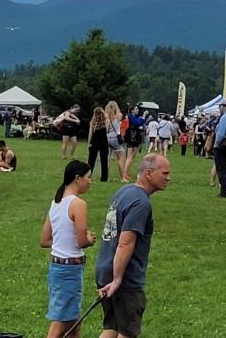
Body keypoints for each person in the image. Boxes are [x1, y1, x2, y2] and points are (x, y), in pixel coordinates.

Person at [96, 154, 171, 338]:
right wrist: (118, 279)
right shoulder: (141, 203)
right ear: (148, 173)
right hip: (124, 279)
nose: (168, 178)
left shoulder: (124, 191)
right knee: (127, 332)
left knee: (111, 327)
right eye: (165, 173)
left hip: (104, 270)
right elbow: (125, 243)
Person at [40, 160, 96, 338]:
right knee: (60, 324)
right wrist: (89, 238)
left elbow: (45, 240)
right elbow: (81, 241)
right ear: (77, 178)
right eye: (88, 177)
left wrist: (65, 239)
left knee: (74, 324)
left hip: (56, 268)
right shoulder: (78, 204)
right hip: (70, 270)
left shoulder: (56, 203)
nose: (90, 181)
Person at [121, 107, 145, 182]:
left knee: (129, 157)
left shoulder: (130, 117)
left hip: (131, 137)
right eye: (136, 109)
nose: (137, 110)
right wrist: (144, 116)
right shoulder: (131, 117)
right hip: (133, 138)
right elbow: (138, 122)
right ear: (132, 110)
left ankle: (125, 172)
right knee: (130, 156)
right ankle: (124, 173)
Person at [88, 107, 110, 182]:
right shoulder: (106, 121)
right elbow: (107, 130)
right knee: (104, 161)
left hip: (94, 141)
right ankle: (104, 178)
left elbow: (90, 133)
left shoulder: (93, 122)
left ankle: (88, 176)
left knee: (91, 160)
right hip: (104, 141)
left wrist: (89, 143)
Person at [105, 102, 126, 181]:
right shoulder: (118, 116)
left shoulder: (106, 117)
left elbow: (106, 129)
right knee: (120, 158)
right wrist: (116, 106)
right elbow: (120, 113)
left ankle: (106, 177)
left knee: (107, 159)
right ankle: (122, 178)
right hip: (115, 138)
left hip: (107, 137)